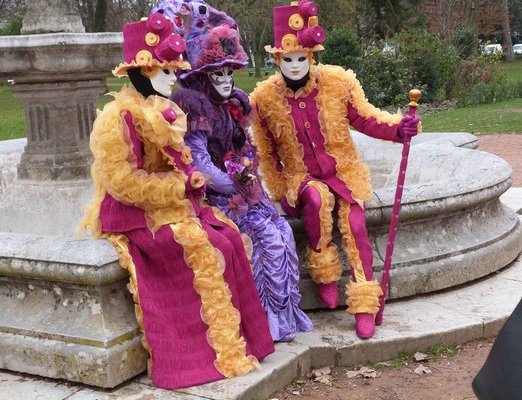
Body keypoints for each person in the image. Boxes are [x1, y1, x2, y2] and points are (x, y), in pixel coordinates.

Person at [80, 14, 274, 390]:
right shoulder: (118, 117)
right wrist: (178, 184)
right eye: (166, 71)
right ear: (143, 70)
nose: (174, 79)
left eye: (174, 70)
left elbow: (180, 160)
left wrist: (189, 180)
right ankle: (193, 359)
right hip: (135, 215)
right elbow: (121, 182)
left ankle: (245, 342)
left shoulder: (161, 107)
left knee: (229, 237)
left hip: (173, 203)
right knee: (200, 245)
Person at [250, 0, 420, 339]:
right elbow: (265, 152)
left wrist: (398, 128)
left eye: (302, 58)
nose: (296, 66)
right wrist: (281, 188)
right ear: (277, 60)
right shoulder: (264, 99)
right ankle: (324, 270)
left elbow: (364, 116)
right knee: (315, 200)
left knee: (355, 225)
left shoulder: (338, 82)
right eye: (288, 59)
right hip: (304, 178)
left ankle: (364, 303)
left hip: (344, 173)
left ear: (312, 58)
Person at [171, 2, 313, 342]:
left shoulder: (233, 106)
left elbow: (246, 149)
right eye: (216, 74)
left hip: (243, 191)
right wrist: (234, 182)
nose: (224, 81)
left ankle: (284, 317)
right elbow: (200, 163)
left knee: (283, 232)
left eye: (228, 73)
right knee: (265, 240)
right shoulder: (195, 106)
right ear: (202, 78)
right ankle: (262, 321)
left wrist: (249, 175)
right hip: (216, 198)